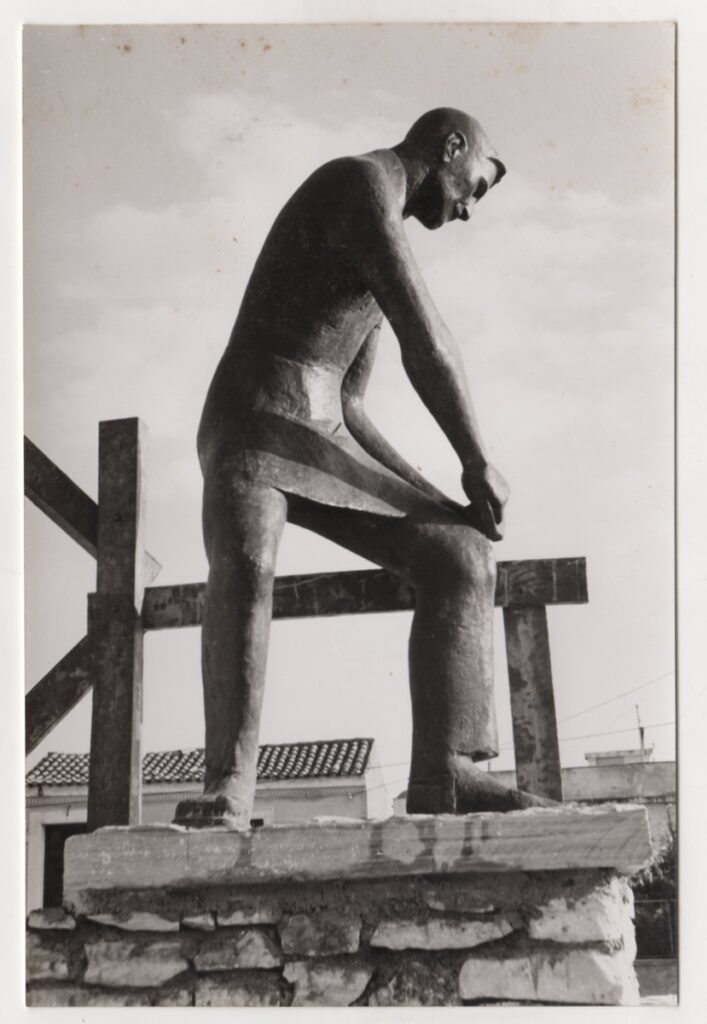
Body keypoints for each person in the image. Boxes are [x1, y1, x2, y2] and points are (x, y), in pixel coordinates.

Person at [174, 108, 553, 830]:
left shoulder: (384, 229)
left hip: (318, 433)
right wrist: (474, 459)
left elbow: (348, 406)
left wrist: (435, 500)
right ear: (451, 148)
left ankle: (447, 772)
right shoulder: (359, 186)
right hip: (250, 423)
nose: (468, 210)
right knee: (248, 566)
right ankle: (229, 782)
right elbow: (428, 339)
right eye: (474, 187)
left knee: (462, 554)